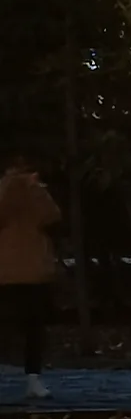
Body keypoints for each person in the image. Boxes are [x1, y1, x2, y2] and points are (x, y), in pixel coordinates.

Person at [0, 151, 61, 399]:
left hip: (30, 268)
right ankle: (32, 378)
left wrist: (34, 189)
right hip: (11, 269)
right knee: (24, 326)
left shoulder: (32, 191)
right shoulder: (7, 190)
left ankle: (33, 378)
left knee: (33, 326)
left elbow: (51, 215)